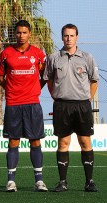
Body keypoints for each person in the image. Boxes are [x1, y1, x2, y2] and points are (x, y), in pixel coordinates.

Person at [43, 23, 99, 192]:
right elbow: (49, 80)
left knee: (85, 142)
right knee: (63, 142)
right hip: (62, 106)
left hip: (82, 106)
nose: (68, 38)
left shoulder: (87, 57)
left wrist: (87, 98)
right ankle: (63, 182)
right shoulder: (54, 58)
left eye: (72, 35)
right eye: (66, 35)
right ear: (62, 37)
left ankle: (89, 181)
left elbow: (94, 81)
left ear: (77, 37)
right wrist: (56, 96)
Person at [0, 20, 48, 192]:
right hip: (13, 103)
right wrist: (11, 89)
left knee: (35, 140)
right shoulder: (6, 54)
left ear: (29, 34)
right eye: (18, 32)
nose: (21, 35)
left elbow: (44, 76)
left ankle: (39, 181)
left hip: (32, 102)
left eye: (24, 32)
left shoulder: (38, 54)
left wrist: (34, 89)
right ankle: (11, 181)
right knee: (13, 141)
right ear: (14, 34)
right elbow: (1, 76)